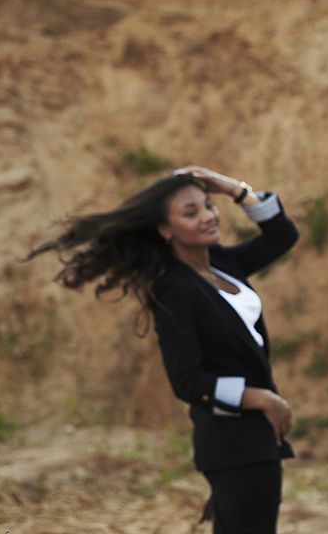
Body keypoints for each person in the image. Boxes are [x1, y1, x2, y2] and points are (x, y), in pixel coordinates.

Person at [27, 166, 298, 533]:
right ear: (165, 229)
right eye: (191, 212)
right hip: (231, 443)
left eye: (208, 206)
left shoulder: (223, 263)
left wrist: (233, 189)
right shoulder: (174, 288)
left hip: (256, 440)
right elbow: (188, 380)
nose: (208, 216)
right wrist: (261, 399)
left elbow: (283, 234)